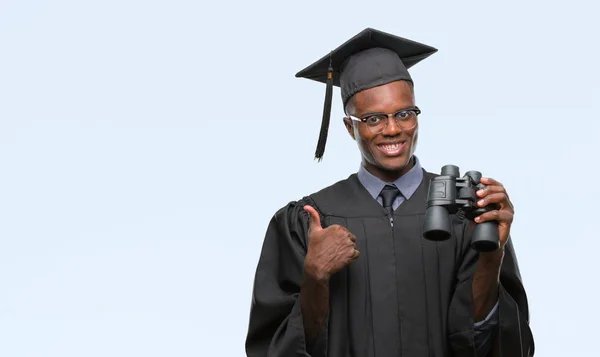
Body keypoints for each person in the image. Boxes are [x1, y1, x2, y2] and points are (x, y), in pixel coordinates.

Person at [244, 28, 534, 357]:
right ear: (349, 126)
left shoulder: (462, 212)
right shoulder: (310, 222)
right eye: (373, 118)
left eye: (404, 114)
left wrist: (491, 257)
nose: (393, 128)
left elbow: (490, 346)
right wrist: (314, 277)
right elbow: (273, 349)